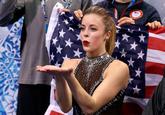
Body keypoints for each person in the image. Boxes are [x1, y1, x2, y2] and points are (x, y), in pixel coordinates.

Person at [0, 0, 92, 115]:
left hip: (68, 80)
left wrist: (80, 19)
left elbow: (92, 27)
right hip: (33, 76)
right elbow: (2, 18)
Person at [36, 6, 129, 115]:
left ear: (107, 35)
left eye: (93, 29)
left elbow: (90, 108)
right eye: (82, 28)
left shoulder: (118, 68)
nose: (85, 33)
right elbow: (65, 107)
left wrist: (69, 76)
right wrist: (59, 77)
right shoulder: (69, 63)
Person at [74, 0, 162, 29]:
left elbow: (157, 42)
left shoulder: (150, 12)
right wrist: (74, 19)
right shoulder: (98, 7)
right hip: (101, 63)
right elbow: (85, 32)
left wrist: (135, 29)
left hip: (132, 67)